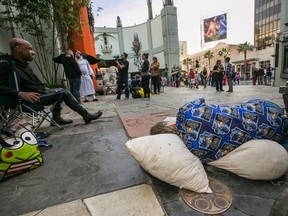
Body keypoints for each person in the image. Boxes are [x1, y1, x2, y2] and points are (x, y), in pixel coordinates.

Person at [0, 38, 102, 125]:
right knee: (64, 93)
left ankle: (56, 118)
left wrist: (45, 89)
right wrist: (19, 94)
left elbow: (34, 83)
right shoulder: (6, 65)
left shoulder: (24, 65)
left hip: (36, 94)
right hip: (24, 100)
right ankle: (86, 115)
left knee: (59, 90)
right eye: (29, 49)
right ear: (19, 49)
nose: (33, 52)